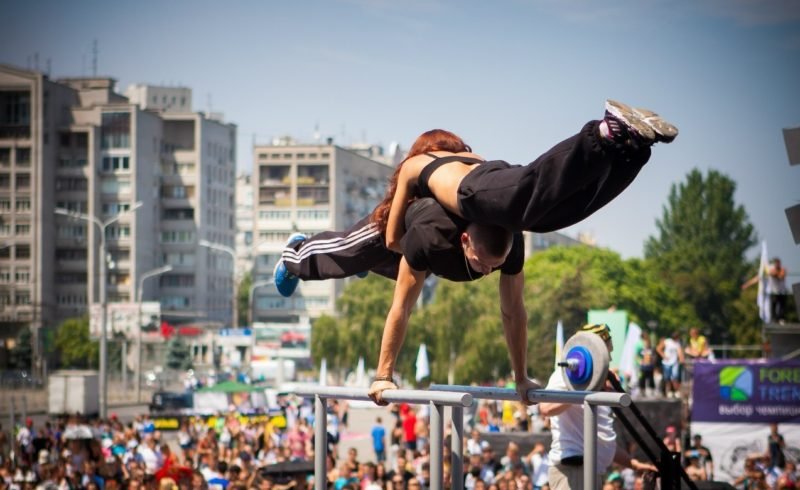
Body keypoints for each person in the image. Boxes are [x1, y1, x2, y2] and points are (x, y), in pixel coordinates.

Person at [538, 324, 658, 489]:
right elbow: (545, 408)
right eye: (606, 349)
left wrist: (634, 464)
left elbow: (602, 440)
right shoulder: (567, 373)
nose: (609, 355)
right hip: (572, 469)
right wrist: (580, 392)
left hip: (592, 470)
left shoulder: (594, 380)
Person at [656, 332, 684, 399]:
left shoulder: (677, 343)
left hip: (674, 362)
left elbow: (680, 352)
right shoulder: (667, 341)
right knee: (667, 378)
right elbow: (658, 348)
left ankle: (675, 391)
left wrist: (681, 359)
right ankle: (667, 391)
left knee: (675, 377)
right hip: (667, 362)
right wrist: (664, 356)